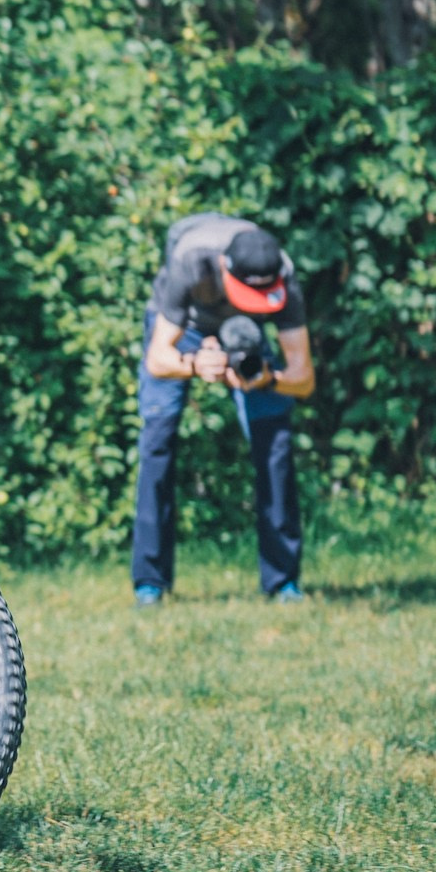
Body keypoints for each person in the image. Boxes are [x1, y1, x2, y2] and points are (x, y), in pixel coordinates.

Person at [131, 213, 318, 608]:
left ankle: (283, 582)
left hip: (247, 335)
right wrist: (196, 363)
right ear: (222, 268)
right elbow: (157, 359)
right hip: (182, 329)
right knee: (157, 441)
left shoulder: (280, 273)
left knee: (275, 444)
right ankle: (150, 582)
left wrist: (265, 379)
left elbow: (303, 378)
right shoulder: (191, 262)